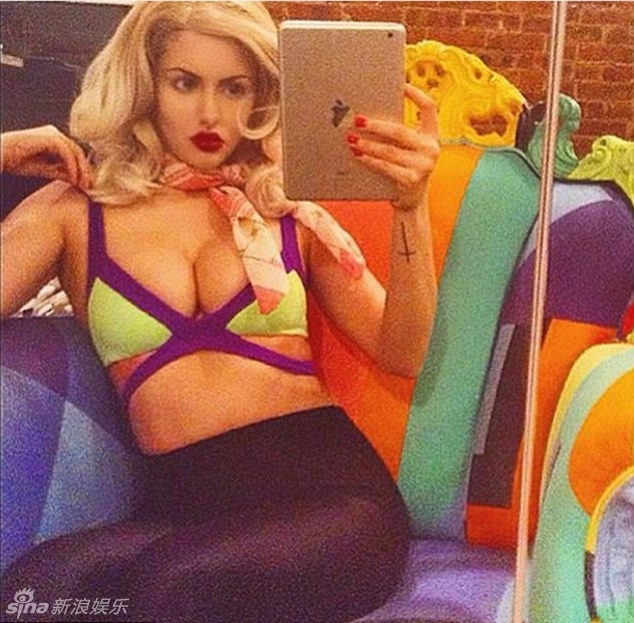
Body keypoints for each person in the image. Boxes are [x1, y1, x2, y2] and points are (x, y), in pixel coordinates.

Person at [0, 2, 438, 622]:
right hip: (184, 513)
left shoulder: (287, 211)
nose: (210, 113)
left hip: (333, 502)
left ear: (261, 98)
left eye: (234, 88)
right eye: (185, 83)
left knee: (174, 588)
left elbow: (404, 352)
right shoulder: (73, 210)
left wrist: (410, 206)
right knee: (38, 592)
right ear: (144, 84)